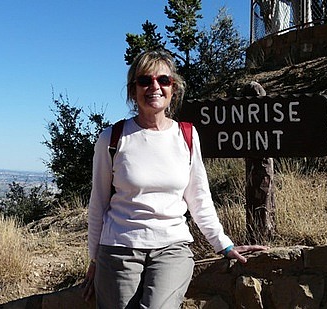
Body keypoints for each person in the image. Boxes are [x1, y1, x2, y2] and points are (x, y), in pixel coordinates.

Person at [82, 49, 267, 308]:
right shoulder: (112, 138)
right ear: (133, 90)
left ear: (174, 89)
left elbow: (199, 198)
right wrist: (94, 261)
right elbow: (98, 204)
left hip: (171, 247)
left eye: (163, 80)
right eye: (145, 81)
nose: (154, 87)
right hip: (119, 247)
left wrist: (223, 245)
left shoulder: (187, 136)